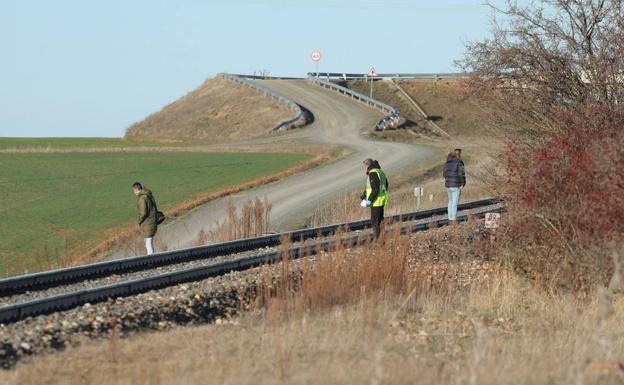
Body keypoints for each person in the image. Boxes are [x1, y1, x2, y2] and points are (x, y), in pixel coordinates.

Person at [360, 158, 389, 239]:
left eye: (365, 166)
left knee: (375, 223)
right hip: (381, 201)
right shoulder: (380, 172)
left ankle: (379, 241)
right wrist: (364, 194)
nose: (364, 168)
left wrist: (369, 200)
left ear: (368, 166)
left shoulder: (372, 173)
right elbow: (385, 185)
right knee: (380, 222)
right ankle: (381, 240)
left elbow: (375, 189)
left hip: (375, 202)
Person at [132, 182, 158, 255]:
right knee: (148, 242)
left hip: (148, 222)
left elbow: (143, 213)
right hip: (152, 221)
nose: (134, 193)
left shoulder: (142, 198)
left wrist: (139, 221)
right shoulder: (148, 195)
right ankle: (151, 258)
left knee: (148, 243)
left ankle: (151, 260)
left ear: (136, 189)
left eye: (134, 191)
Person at [443, 149, 466, 225]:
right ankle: (454, 220)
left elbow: (444, 174)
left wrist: (448, 179)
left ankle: (450, 219)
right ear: (459, 154)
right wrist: (463, 183)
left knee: (450, 202)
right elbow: (461, 174)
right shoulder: (459, 162)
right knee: (454, 203)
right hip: (456, 185)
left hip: (448, 185)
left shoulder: (447, 162)